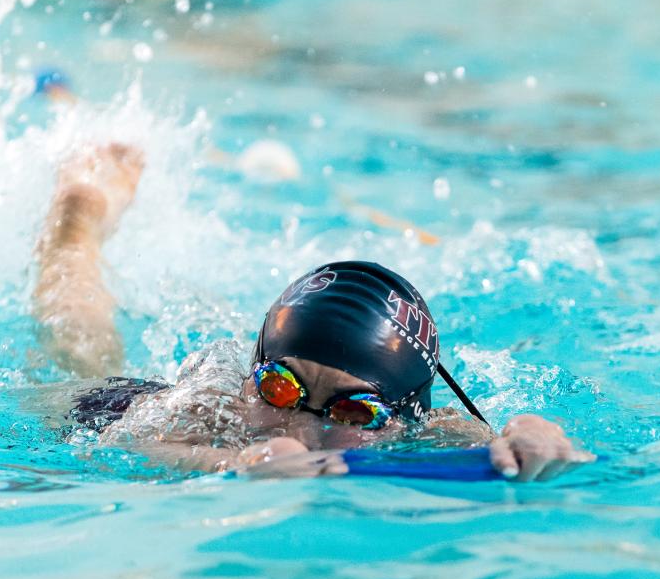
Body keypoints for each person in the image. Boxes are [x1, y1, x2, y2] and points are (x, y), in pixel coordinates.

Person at [33, 144, 591, 481]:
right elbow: (122, 447)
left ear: (401, 417)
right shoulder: (211, 408)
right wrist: (232, 464)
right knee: (78, 349)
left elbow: (506, 440)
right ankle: (78, 212)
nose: (300, 428)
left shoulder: (428, 431)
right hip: (116, 406)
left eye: (352, 413)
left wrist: (534, 436)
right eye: (278, 388)